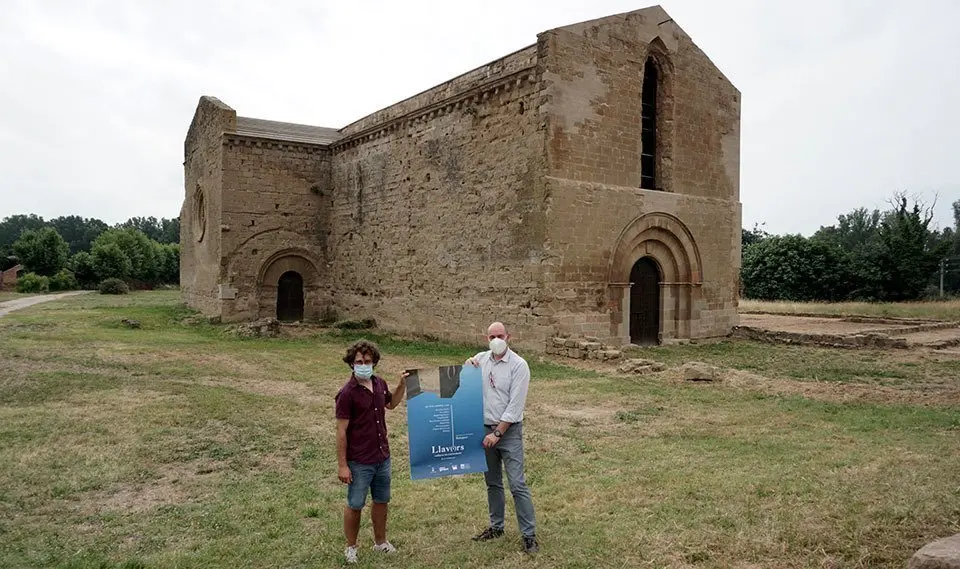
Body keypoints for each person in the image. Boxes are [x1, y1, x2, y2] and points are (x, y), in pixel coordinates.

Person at [465, 322, 539, 554]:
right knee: (493, 483)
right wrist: (467, 366)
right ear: (485, 338)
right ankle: (496, 526)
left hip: (508, 433)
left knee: (517, 484)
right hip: (483, 430)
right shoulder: (481, 359)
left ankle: (529, 535)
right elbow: (464, 383)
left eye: (500, 335)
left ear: (509, 337)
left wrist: (498, 433)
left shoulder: (519, 365)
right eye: (492, 336)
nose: (496, 340)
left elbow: (515, 405)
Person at [335, 339, 407, 564]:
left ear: (374, 362)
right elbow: (341, 431)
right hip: (359, 460)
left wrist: (402, 385)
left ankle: (380, 542)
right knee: (355, 504)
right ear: (351, 364)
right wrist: (343, 465)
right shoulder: (347, 394)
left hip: (382, 456)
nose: (363, 364)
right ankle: (351, 547)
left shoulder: (379, 384)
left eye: (367, 361)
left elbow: (391, 404)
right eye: (358, 361)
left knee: (381, 501)